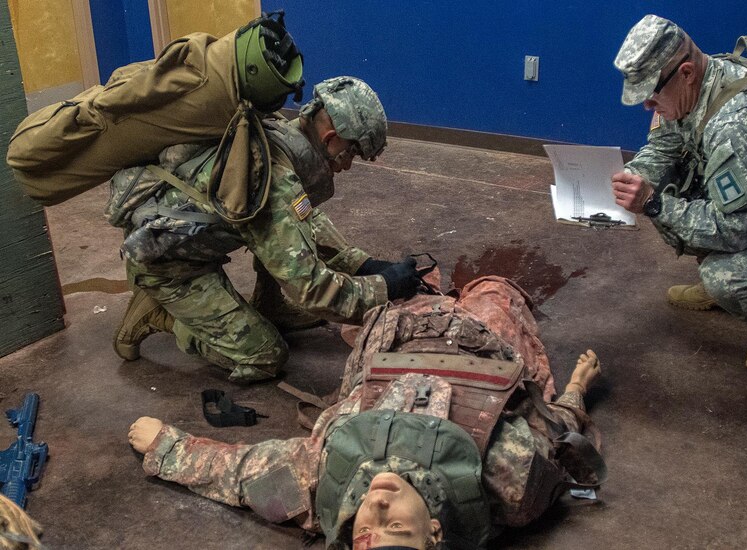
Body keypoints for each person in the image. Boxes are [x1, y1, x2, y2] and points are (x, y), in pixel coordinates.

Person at [128, 276, 606, 549]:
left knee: (401, 299)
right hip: (480, 345)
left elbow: (239, 472)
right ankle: (463, 293)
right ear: (434, 532)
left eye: (366, 528)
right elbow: (559, 436)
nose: (376, 507)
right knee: (494, 289)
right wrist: (577, 390)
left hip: (392, 339)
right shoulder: (510, 480)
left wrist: (167, 448)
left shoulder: (321, 482)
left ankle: (431, 293)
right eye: (395, 525)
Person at [109, 76, 422, 382]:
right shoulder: (275, 181)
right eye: (351, 152)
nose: (349, 165)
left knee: (279, 233)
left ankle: (269, 304)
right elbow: (313, 291)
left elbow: (303, 219)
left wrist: (363, 265)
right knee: (265, 357)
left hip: (186, 242)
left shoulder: (279, 134)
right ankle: (156, 312)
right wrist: (385, 287)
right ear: (330, 138)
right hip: (168, 266)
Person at [611, 14, 747, 373]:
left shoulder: (737, 125)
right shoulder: (695, 88)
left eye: (651, 93)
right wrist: (636, 175)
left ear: (686, 73)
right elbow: (664, 147)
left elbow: (736, 228)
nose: (646, 105)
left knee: (725, 275)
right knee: (670, 190)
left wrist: (653, 202)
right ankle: (724, 291)